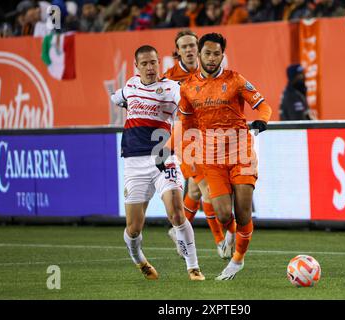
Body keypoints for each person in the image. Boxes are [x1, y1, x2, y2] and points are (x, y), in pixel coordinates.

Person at [175, 33, 272, 280]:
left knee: (243, 213)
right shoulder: (187, 88)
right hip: (210, 156)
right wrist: (189, 153)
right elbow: (187, 125)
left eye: (216, 53)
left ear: (222, 54)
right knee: (223, 215)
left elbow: (263, 105)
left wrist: (262, 120)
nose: (211, 58)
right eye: (207, 53)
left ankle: (237, 261)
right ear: (198, 54)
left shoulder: (236, 80)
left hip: (241, 152)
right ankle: (227, 234)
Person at [110, 45, 205, 281]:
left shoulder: (172, 89)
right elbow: (116, 97)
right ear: (137, 66)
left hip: (163, 156)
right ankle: (139, 260)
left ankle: (193, 267)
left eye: (154, 62)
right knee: (133, 228)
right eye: (145, 64)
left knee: (176, 211)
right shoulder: (131, 86)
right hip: (134, 161)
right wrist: (126, 104)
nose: (150, 67)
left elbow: (188, 107)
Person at [163, 29, 237, 260]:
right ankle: (223, 240)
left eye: (192, 46)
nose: (189, 50)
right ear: (178, 51)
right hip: (186, 138)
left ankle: (178, 231)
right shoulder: (169, 78)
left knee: (195, 189)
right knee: (205, 188)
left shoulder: (209, 71)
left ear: (199, 48)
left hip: (208, 138)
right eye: (183, 47)